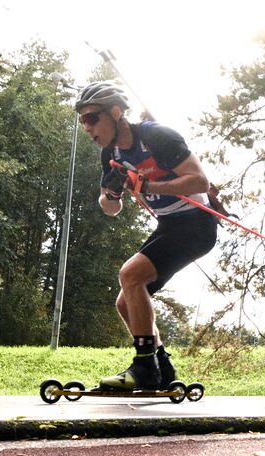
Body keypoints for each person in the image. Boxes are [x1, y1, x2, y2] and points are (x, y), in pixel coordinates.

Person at [77, 81, 218, 391]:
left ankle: (144, 368)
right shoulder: (109, 154)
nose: (86, 127)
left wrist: (149, 187)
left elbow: (200, 181)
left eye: (91, 118)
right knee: (125, 302)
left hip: (196, 223)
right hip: (169, 225)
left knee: (130, 275)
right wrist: (113, 193)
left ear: (115, 113)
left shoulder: (157, 136)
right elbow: (109, 208)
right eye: (81, 120)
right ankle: (163, 367)